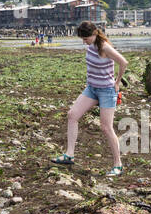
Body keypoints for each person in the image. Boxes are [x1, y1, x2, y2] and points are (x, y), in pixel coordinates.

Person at [52, 21, 128, 176]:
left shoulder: (105, 47)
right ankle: (69, 155)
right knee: (72, 115)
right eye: (82, 39)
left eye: (86, 38)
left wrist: (117, 82)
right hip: (91, 89)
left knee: (106, 128)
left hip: (107, 91)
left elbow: (123, 62)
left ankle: (117, 165)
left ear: (94, 34)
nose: (84, 41)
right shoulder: (90, 45)